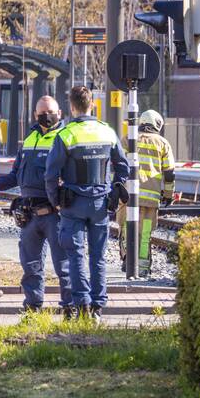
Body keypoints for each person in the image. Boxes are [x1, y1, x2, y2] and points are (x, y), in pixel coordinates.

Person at [44, 87, 130, 321]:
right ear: (92, 104)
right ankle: (98, 308)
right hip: (100, 203)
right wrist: (116, 187)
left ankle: (82, 304)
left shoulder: (66, 135)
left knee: (76, 255)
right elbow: (123, 166)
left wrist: (56, 202)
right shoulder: (107, 132)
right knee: (98, 256)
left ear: (71, 107)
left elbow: (50, 174)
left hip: (72, 204)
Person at [0, 96, 73, 316]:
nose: (46, 116)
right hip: (29, 214)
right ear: (35, 115)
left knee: (63, 266)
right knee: (30, 266)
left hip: (55, 214)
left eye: (50, 112)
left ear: (60, 113)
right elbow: (15, 175)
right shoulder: (29, 139)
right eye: (41, 113)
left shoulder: (65, 137)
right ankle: (32, 307)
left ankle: (70, 309)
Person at [117, 109, 177, 277]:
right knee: (145, 234)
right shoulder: (163, 143)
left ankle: (128, 261)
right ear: (158, 125)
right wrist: (168, 195)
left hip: (129, 197)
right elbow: (169, 172)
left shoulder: (128, 139)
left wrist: (117, 189)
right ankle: (143, 267)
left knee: (127, 229)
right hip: (151, 200)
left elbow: (118, 166)